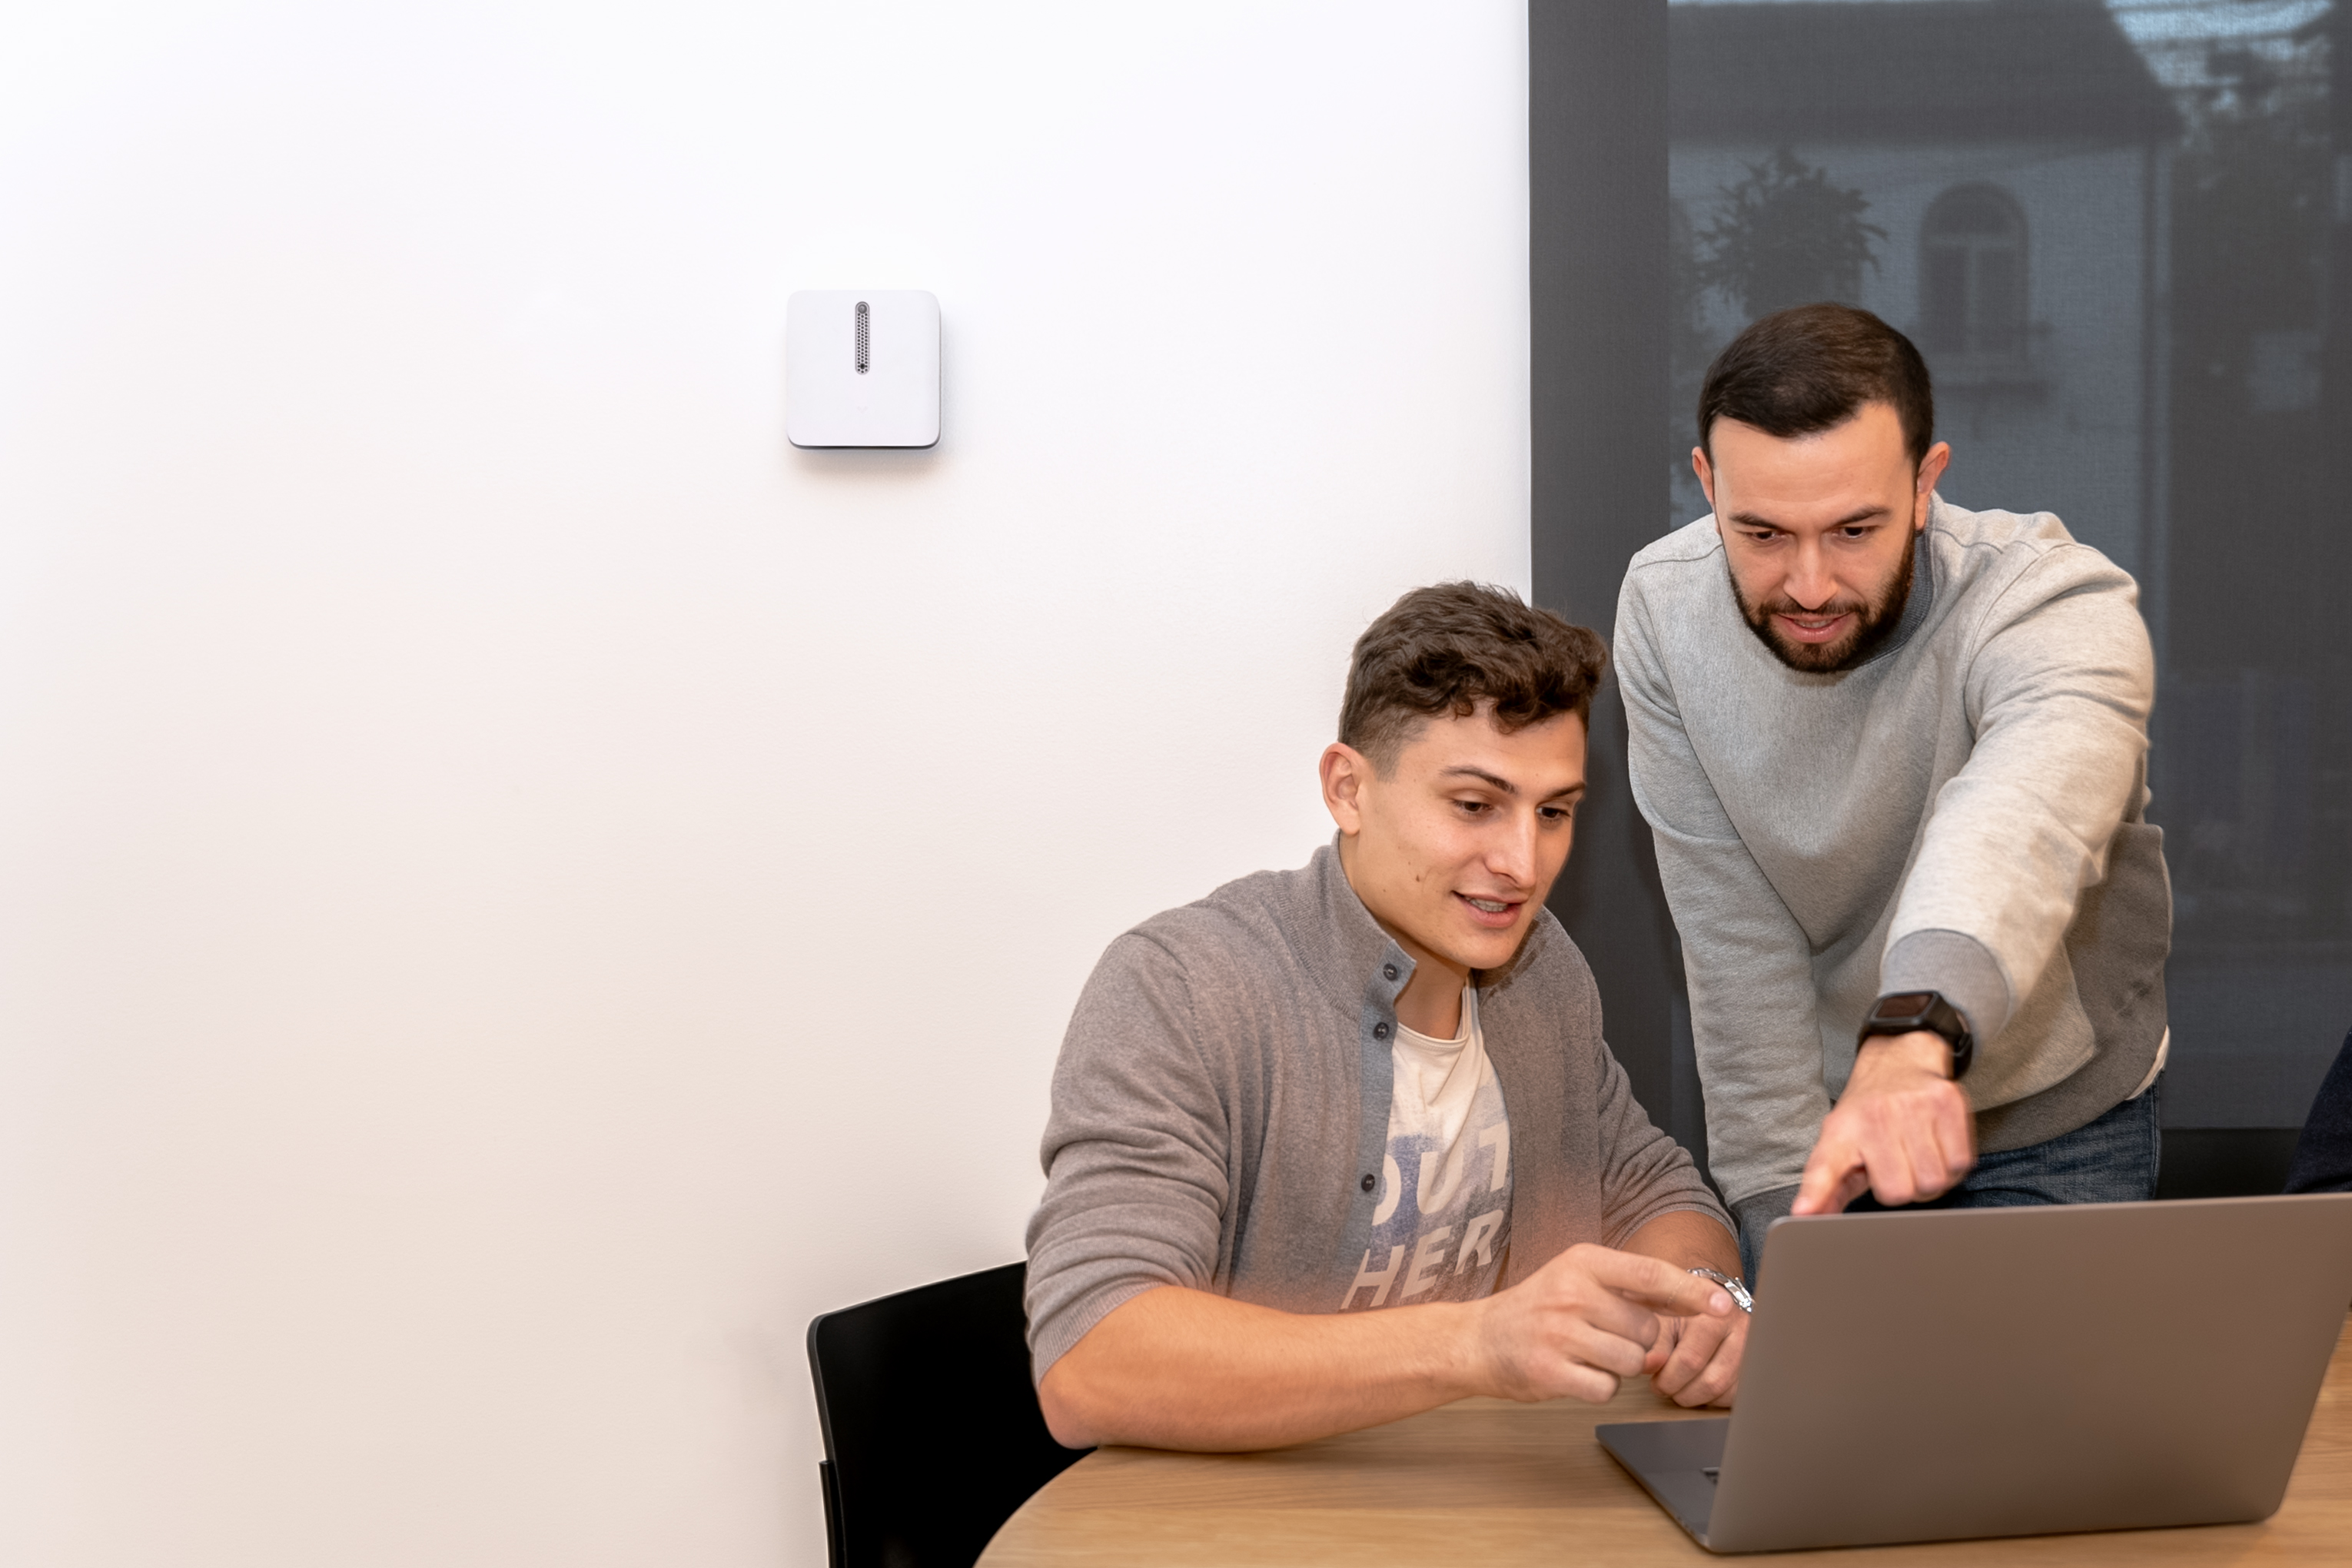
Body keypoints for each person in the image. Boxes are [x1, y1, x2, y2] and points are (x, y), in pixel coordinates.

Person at [1024, 583, 1747, 1453]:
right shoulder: (1182, 988)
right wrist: (1475, 1344)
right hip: (1244, 1521)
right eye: (1475, 805)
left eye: (1553, 812)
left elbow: (1658, 1192)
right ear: (1348, 790)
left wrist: (1702, 1303)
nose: (1521, 863)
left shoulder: (1542, 971)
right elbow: (1092, 1361)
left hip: (1486, 1509)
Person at [1617, 304, 2172, 1281]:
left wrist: (1916, 1031)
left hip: (2055, 1119)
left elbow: (2022, 814)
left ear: (1926, 483)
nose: (1810, 584)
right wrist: (1783, 1220)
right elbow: (1734, 942)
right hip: (1835, 1127)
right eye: (1761, 532)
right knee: (1830, 1423)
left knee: (2041, 1432)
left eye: (1854, 529)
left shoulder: (2052, 600)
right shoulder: (1665, 611)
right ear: (1706, 484)